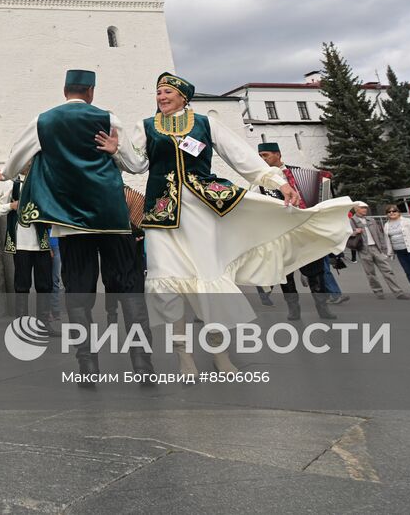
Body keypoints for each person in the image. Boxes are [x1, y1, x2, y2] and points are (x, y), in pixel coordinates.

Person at [123, 74, 352, 374]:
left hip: (202, 212)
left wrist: (277, 182)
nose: (161, 97)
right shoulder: (147, 126)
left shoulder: (206, 124)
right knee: (167, 282)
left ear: (183, 97)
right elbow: (136, 163)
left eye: (167, 92)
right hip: (161, 215)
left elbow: (242, 157)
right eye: (158, 93)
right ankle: (184, 356)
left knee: (209, 279)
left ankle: (220, 355)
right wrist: (118, 148)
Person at [0, 69, 153, 384]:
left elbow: (15, 159)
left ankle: (88, 367)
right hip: (112, 219)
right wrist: (115, 151)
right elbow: (136, 164)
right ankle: (142, 366)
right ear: (91, 91)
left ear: (65, 90)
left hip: (70, 222)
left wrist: (5, 174)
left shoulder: (43, 121)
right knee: (130, 289)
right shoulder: (109, 118)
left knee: (78, 294)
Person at [256, 143, 341, 321]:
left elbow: (323, 198)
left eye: (265, 155)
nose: (262, 159)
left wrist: (324, 189)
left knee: (316, 273)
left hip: (306, 233)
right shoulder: (261, 181)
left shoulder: (297, 172)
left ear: (278, 154)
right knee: (286, 275)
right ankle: (293, 309)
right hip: (282, 235)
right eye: (260, 156)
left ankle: (322, 307)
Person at [0, 176, 55, 330]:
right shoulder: (12, 184)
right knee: (22, 285)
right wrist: (10, 205)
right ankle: (22, 325)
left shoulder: (41, 180)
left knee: (45, 285)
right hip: (21, 245)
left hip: (41, 244)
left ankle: (44, 324)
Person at [349, 202, 410, 299]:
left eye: (365, 208)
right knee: (370, 274)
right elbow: (345, 234)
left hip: (376, 248)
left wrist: (384, 249)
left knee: (388, 270)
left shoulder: (371, 220)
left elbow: (380, 235)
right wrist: (354, 232)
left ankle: (398, 293)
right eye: (362, 208)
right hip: (363, 250)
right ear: (356, 209)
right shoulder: (351, 221)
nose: (365, 210)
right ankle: (378, 293)